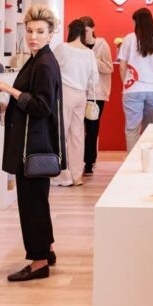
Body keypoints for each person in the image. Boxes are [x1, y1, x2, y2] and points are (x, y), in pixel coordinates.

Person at [0, 5, 65, 282]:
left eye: (40, 32)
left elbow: (41, 106)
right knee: (37, 200)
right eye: (30, 31)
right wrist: (8, 107)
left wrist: (10, 90)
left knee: (31, 203)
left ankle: (38, 263)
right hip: (33, 141)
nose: (33, 37)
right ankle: (47, 250)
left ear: (51, 34)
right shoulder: (38, 59)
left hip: (33, 146)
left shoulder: (44, 63)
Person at [52, 19, 98, 186]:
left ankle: (61, 175)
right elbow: (94, 80)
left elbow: (51, 69)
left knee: (60, 134)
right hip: (81, 95)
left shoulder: (63, 48)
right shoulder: (89, 53)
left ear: (70, 30)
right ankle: (77, 175)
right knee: (77, 136)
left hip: (65, 92)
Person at [118, 7, 153, 152]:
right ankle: (148, 158)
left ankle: (132, 161)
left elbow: (122, 66)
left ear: (137, 22)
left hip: (133, 89)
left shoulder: (129, 39)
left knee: (132, 129)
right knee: (150, 128)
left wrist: (126, 83)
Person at [79, 16, 113, 175]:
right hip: (80, 92)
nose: (84, 34)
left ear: (93, 28)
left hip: (97, 94)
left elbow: (109, 68)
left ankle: (89, 162)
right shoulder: (77, 46)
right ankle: (77, 161)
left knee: (92, 129)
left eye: (86, 30)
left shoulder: (102, 45)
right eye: (81, 31)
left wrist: (93, 59)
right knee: (77, 129)